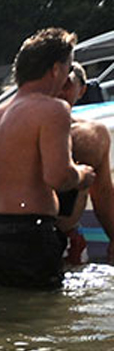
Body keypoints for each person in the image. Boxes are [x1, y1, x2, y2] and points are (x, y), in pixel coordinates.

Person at [0, 28, 92, 291]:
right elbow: (57, 176)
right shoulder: (53, 109)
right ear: (56, 69)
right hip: (27, 238)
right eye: (68, 68)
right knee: (38, 323)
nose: (68, 78)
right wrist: (82, 176)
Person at [54, 61, 114, 265]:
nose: (61, 90)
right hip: (28, 233)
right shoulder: (22, 126)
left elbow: (103, 195)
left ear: (82, 90)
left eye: (68, 84)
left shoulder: (93, 135)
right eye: (57, 83)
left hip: (68, 237)